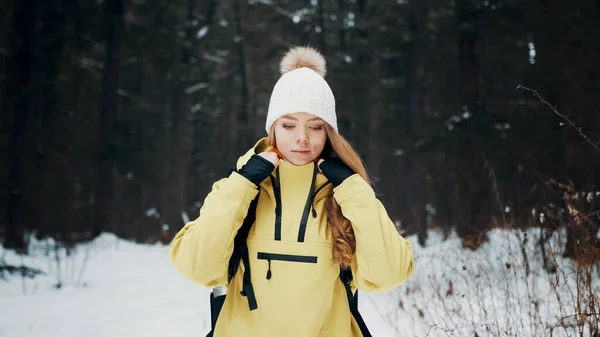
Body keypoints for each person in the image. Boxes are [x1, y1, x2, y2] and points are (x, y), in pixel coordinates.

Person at [169, 46, 414, 337]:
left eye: (315, 127)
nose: (302, 138)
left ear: (329, 133)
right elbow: (197, 268)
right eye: (288, 125)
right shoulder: (236, 191)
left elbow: (389, 275)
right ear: (272, 127)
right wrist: (243, 183)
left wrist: (354, 191)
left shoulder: (345, 198)